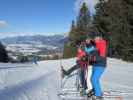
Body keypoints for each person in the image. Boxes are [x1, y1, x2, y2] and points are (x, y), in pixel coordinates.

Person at [85, 36, 107, 100]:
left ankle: (98, 95)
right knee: (93, 79)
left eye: (96, 39)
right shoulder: (96, 45)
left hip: (100, 65)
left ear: (100, 39)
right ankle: (96, 91)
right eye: (94, 39)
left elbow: (102, 57)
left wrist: (92, 58)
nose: (95, 40)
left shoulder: (102, 44)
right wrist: (87, 57)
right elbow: (90, 52)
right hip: (95, 65)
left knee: (94, 79)